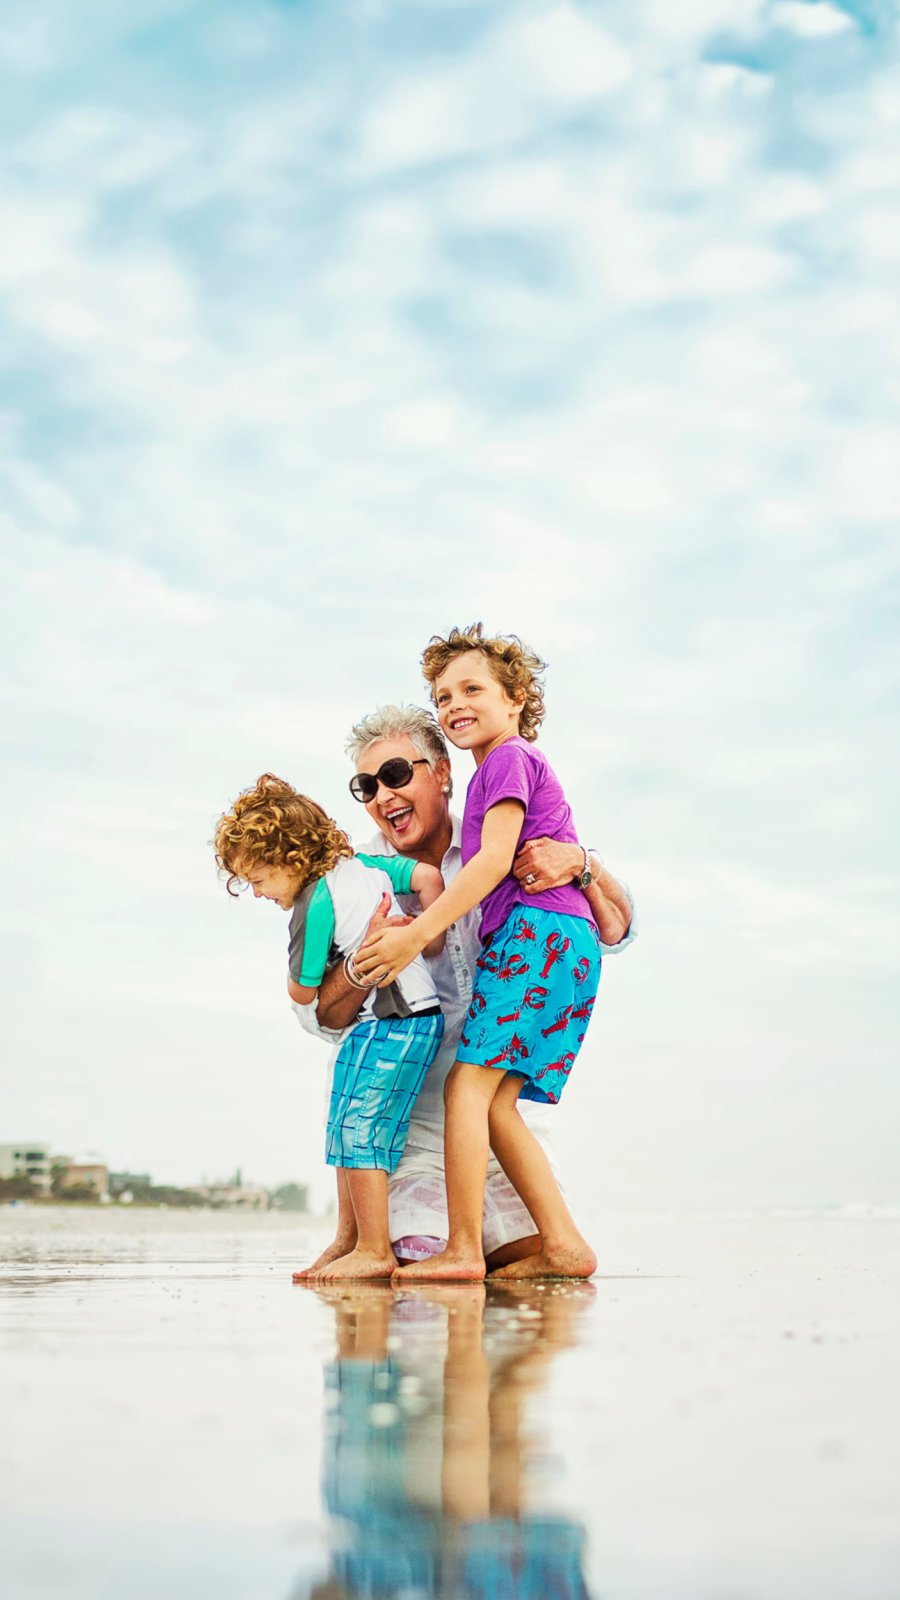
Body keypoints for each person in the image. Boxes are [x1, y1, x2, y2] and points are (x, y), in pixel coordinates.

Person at [292, 700, 636, 1280]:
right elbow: (317, 1018)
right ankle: (393, 1245)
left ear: (443, 773)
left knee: (530, 1272)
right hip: (408, 1125)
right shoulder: (353, 878)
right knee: (417, 1280)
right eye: (367, 785)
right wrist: (359, 968)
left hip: (498, 1117)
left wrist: (584, 864)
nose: (383, 795)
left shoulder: (496, 840)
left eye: (398, 774)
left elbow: (614, 933)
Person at [357, 625, 605, 1281]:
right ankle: (564, 1244)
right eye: (442, 696)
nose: (454, 704)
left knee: (470, 1089)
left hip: (539, 938)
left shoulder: (503, 761)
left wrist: (414, 932)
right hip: (561, 945)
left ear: (517, 699)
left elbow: (494, 862)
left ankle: (463, 1249)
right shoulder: (503, 770)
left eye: (472, 689)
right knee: (495, 1103)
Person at [214, 774, 445, 1280]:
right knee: (357, 1127)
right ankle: (349, 1240)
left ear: (291, 861)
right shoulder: (366, 866)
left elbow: (302, 992)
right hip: (419, 1020)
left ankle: (373, 1249)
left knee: (359, 1130)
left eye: (259, 878)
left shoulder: (313, 901)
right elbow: (428, 877)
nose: (256, 893)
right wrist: (427, 939)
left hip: (389, 1020)